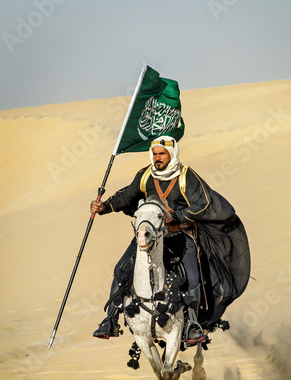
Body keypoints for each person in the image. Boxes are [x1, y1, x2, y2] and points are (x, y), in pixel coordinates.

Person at [90, 135, 251, 346]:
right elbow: (126, 197)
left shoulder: (186, 176)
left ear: (171, 154)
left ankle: (193, 324)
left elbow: (203, 204)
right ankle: (110, 319)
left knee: (192, 278)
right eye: (155, 154)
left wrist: (175, 216)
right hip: (149, 236)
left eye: (161, 154)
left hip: (181, 236)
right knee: (121, 269)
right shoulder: (146, 175)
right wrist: (104, 207)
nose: (157, 158)